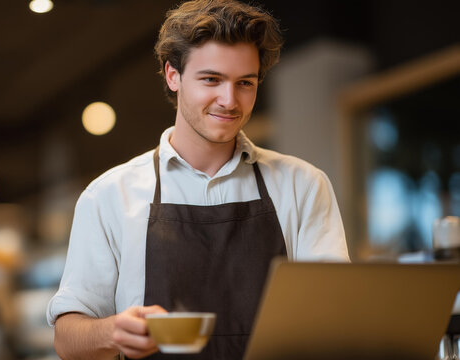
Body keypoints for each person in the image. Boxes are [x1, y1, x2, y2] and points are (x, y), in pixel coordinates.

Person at [46, 0, 350, 358]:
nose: (229, 100)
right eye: (211, 79)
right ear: (173, 75)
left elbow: (336, 317)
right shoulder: (109, 196)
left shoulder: (303, 185)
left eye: (245, 83)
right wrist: (112, 331)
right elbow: (67, 341)